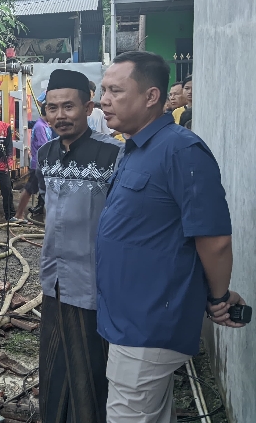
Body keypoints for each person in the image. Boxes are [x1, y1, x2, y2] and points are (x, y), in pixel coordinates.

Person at [97, 52, 247, 423]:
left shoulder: (181, 151)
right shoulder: (133, 149)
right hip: (128, 317)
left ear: (151, 97)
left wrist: (218, 297)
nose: (103, 100)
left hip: (148, 324)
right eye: (103, 90)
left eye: (116, 90)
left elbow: (214, 239)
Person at [37, 69, 123, 423]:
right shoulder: (45, 154)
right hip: (53, 279)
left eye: (68, 106)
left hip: (93, 282)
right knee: (53, 362)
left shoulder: (114, 155)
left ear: (89, 108)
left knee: (90, 366)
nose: (60, 115)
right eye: (52, 108)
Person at [15, 92, 50, 219]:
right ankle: (18, 215)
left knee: (33, 189)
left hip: (40, 164)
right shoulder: (41, 126)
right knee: (29, 189)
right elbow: (44, 147)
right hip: (38, 165)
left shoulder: (45, 125)